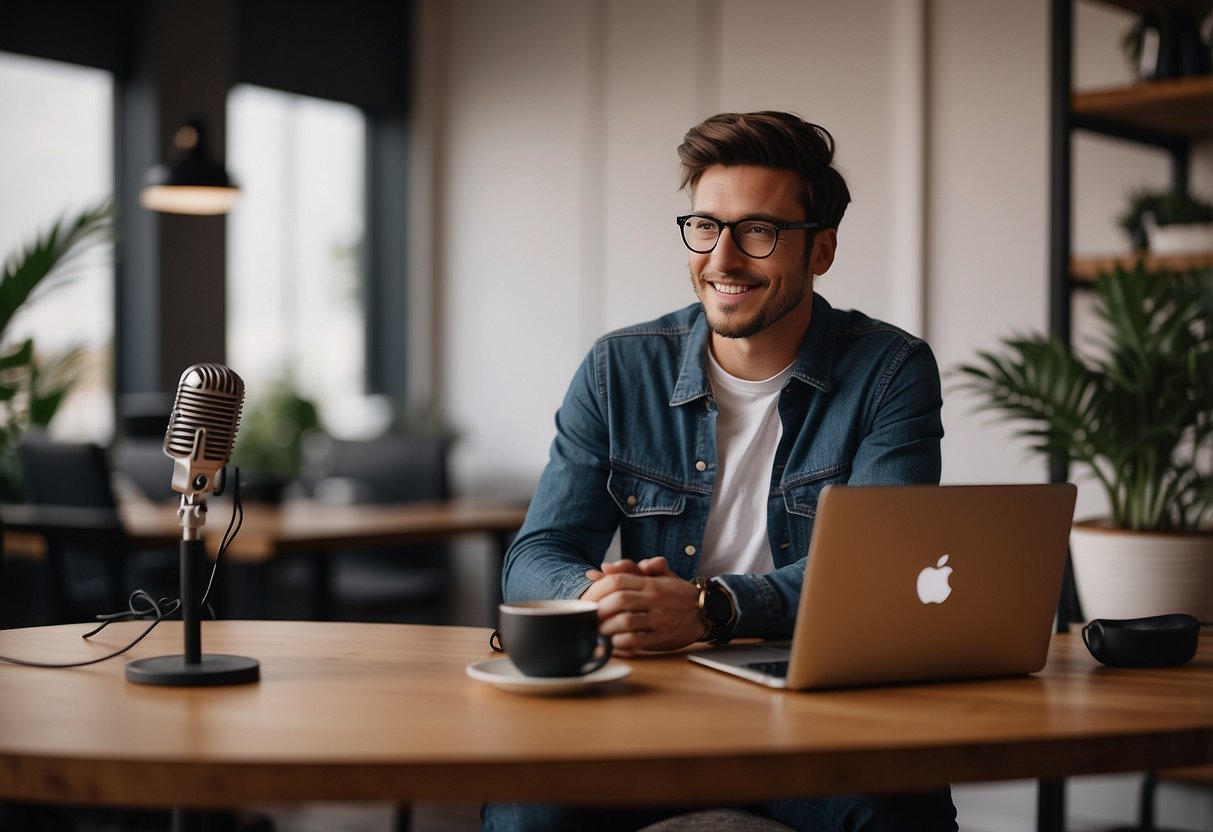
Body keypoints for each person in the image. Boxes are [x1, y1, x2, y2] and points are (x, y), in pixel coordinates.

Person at [486, 111, 953, 832]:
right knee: (526, 813)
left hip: (817, 711)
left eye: (758, 231)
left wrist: (709, 607)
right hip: (648, 705)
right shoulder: (618, 369)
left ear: (820, 250)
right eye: (705, 227)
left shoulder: (889, 371)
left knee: (897, 810)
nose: (723, 259)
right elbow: (533, 557)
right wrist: (605, 598)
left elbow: (882, 576)